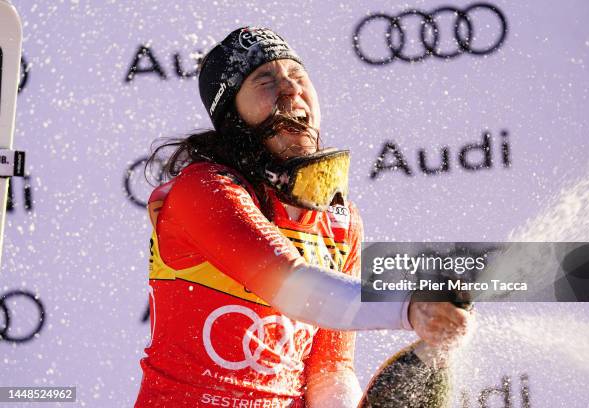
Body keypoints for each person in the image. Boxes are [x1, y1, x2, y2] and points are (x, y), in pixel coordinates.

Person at [134, 27, 472, 408]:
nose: (290, 90)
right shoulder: (203, 189)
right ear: (233, 116)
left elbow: (330, 369)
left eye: (297, 77)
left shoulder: (341, 219)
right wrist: (411, 308)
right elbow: (290, 283)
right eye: (265, 79)